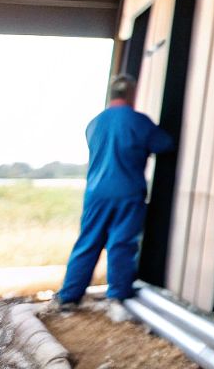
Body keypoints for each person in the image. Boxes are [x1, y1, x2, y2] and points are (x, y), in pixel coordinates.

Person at [57, 73, 174, 311]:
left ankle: (68, 297)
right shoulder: (138, 121)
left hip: (96, 194)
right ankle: (118, 295)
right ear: (132, 93)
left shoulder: (95, 123)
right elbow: (165, 144)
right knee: (121, 243)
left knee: (87, 242)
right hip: (127, 193)